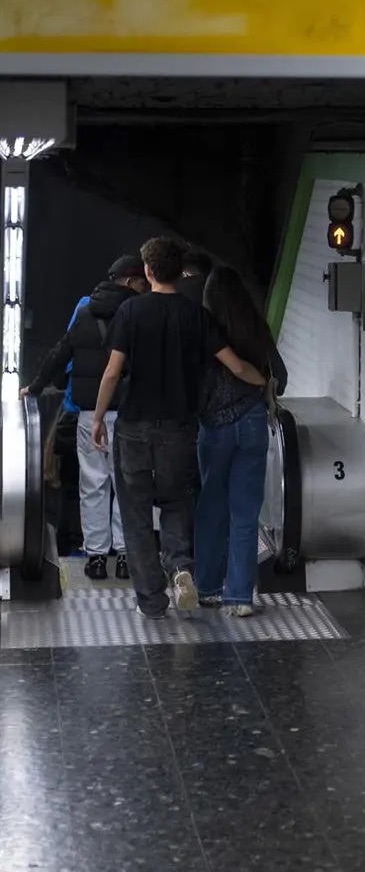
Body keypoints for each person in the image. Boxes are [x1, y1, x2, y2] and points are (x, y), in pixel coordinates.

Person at [94, 237, 267, 619]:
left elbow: (112, 372)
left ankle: (152, 601)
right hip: (179, 428)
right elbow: (235, 365)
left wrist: (96, 417)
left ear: (149, 271)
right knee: (175, 503)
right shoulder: (196, 315)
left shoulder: (130, 312)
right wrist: (261, 383)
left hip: (134, 427)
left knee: (136, 512)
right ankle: (182, 570)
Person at [22, 253, 147, 580]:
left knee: (93, 484)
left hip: (89, 413)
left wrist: (35, 387)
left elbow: (60, 353)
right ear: (132, 281)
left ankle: (95, 557)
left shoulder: (84, 311)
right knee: (127, 485)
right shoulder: (137, 313)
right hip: (129, 414)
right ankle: (124, 556)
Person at [196, 266, 287, 618]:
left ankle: (207, 588)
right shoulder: (257, 329)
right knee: (246, 513)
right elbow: (282, 377)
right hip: (252, 425)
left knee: (211, 509)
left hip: (214, 428)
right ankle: (240, 597)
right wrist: (263, 388)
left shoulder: (205, 329)